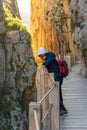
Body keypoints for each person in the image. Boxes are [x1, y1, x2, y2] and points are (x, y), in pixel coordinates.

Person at [37, 47, 68, 116]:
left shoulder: (50, 55)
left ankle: (62, 109)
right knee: (58, 94)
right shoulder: (48, 57)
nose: (41, 57)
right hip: (56, 78)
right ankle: (62, 109)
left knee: (56, 94)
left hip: (57, 78)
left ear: (43, 53)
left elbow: (50, 60)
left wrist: (43, 64)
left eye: (41, 55)